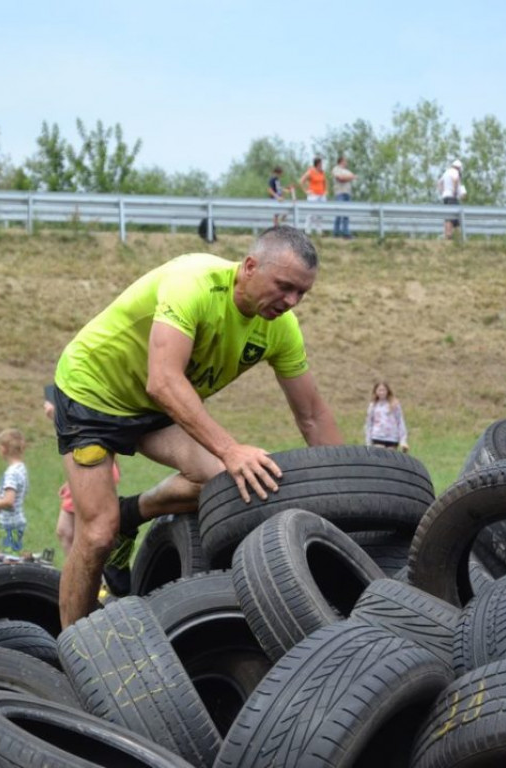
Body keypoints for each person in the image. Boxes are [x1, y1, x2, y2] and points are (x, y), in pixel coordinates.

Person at [52, 225, 342, 625]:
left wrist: (343, 485)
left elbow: (311, 415)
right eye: (284, 286)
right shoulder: (193, 285)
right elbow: (164, 381)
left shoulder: (280, 328)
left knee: (232, 481)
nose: (291, 301)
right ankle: (74, 644)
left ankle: (133, 514)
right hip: (94, 394)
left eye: (301, 293)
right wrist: (229, 448)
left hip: (155, 408)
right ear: (250, 266)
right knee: (98, 531)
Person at [44, 387, 120, 557]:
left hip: (91, 465)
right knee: (74, 531)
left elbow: (82, 432)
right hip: (91, 467)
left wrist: (55, 415)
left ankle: (94, 578)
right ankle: (94, 576)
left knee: (71, 532)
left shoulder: (81, 402)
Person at [0, 428, 29, 553]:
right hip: (16, 521)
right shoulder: (21, 468)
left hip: (10, 524)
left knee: (10, 559)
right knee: (9, 553)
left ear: (3, 449)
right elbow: (18, 491)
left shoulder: (11, 473)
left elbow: (9, 501)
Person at [364, 381, 409, 452]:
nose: (382, 392)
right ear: (375, 391)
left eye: (383, 390)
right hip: (377, 436)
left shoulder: (395, 404)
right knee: (380, 457)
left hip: (392, 437)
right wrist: (368, 441)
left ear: (387, 391)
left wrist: (403, 440)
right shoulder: (373, 405)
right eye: (379, 390)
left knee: (390, 459)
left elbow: (400, 421)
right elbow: (369, 423)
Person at [298, 157, 326, 235]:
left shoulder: (322, 172)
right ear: (317, 164)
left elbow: (324, 182)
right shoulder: (311, 171)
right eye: (321, 163)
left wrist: (325, 191)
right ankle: (307, 230)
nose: (322, 165)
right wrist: (306, 191)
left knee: (320, 214)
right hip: (313, 195)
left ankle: (319, 231)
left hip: (321, 195)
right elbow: (301, 181)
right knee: (311, 213)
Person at [437, 159, 464, 240]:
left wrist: (442, 192)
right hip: (452, 196)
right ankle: (450, 235)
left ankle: (449, 234)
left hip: (445, 196)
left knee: (448, 215)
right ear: (459, 168)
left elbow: (439, 183)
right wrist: (455, 192)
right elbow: (455, 180)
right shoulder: (455, 172)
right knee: (454, 216)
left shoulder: (446, 172)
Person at [331, 155, 356, 239]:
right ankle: (336, 232)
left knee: (346, 214)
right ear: (341, 161)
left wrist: (348, 177)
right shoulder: (336, 169)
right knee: (339, 213)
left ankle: (346, 232)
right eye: (345, 161)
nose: (346, 162)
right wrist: (349, 178)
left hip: (347, 193)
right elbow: (340, 178)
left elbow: (354, 176)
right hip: (340, 193)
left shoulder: (347, 171)